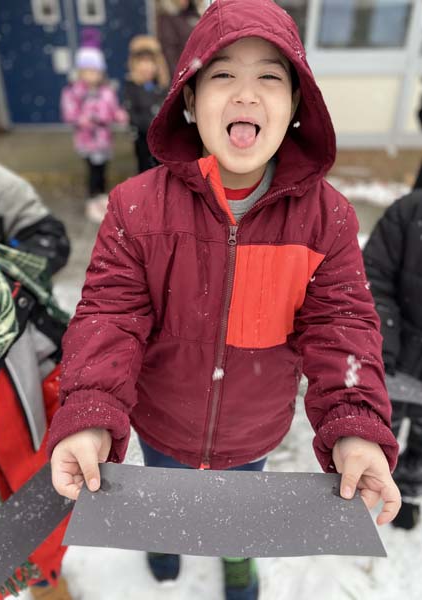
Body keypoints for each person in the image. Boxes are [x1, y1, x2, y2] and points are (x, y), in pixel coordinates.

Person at [48, 2, 401, 599]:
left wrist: (356, 425)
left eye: (269, 77)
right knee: (164, 497)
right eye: (221, 75)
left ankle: (237, 558)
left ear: (295, 108)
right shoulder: (136, 207)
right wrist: (88, 412)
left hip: (251, 428)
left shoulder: (327, 219)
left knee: (237, 511)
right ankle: (162, 539)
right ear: (188, 101)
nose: (245, 93)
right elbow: (110, 315)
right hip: (161, 417)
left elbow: (341, 326)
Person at [0, 149, 72, 600]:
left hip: (12, 374)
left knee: (37, 495)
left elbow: (49, 236)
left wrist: (9, 272)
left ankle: (46, 580)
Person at [363, 190, 422, 530]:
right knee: (383, 425)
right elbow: (374, 279)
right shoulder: (408, 212)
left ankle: (410, 492)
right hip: (395, 355)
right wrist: (382, 344)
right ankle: (376, 482)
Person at [60, 28, 128, 224]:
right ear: (81, 72)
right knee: (92, 171)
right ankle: (92, 199)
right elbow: (69, 113)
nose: (92, 75)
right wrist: (83, 119)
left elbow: (112, 107)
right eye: (88, 71)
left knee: (103, 169)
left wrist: (119, 114)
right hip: (87, 140)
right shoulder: (73, 92)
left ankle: (101, 197)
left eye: (95, 71)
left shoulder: (106, 90)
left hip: (104, 140)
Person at [123, 35, 169, 173]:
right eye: (142, 62)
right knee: (145, 168)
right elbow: (132, 113)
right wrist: (148, 126)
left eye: (150, 62)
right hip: (143, 137)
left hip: (161, 139)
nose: (147, 67)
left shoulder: (161, 86)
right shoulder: (132, 86)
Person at [157, 0, 202, 76]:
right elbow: (169, 50)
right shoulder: (167, 19)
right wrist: (179, 76)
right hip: (184, 73)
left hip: (199, 68)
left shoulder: (195, 15)